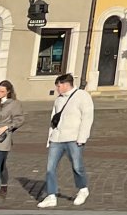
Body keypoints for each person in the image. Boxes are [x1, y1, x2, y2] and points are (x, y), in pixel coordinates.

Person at [39, 72, 93, 208]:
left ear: (66, 84)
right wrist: (49, 138)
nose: (57, 88)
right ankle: (51, 195)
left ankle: (82, 189)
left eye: (59, 85)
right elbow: (54, 119)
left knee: (77, 166)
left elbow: (87, 118)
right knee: (50, 168)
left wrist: (82, 138)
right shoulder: (58, 99)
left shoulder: (82, 96)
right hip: (56, 138)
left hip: (73, 138)